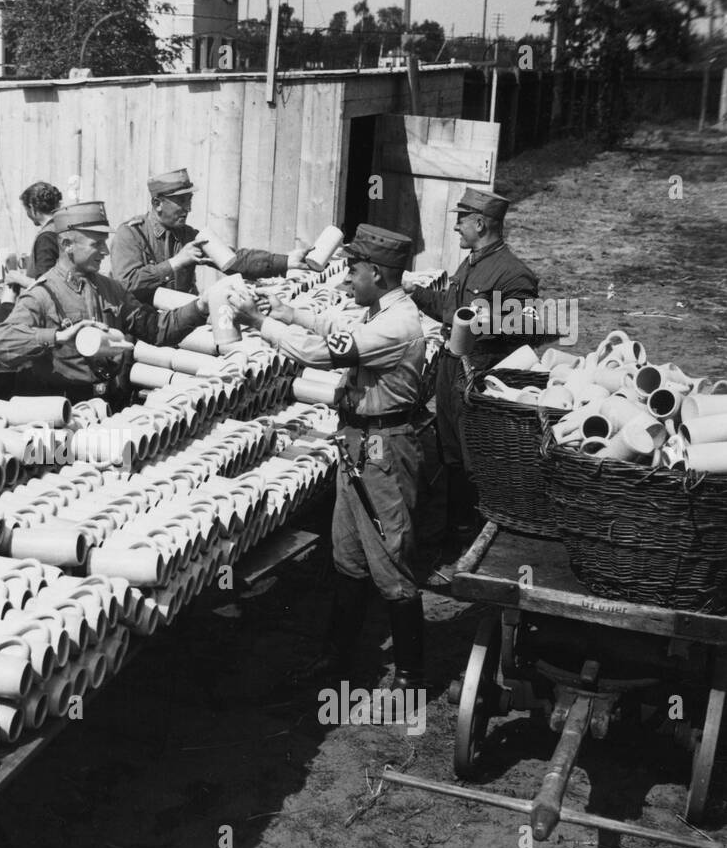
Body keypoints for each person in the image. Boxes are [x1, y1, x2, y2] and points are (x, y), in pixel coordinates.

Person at [230, 224, 428, 691]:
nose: (346, 280)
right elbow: (340, 328)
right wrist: (290, 312)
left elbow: (324, 355)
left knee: (391, 562)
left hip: (382, 451)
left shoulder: (397, 324)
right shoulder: (383, 308)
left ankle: (410, 676)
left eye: (353, 271)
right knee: (349, 557)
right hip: (359, 444)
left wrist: (264, 325)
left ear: (377, 274)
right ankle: (337, 660)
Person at [407, 187, 540, 542]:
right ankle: (455, 533)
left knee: (475, 460)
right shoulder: (473, 261)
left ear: (480, 223)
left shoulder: (514, 275)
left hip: (477, 377)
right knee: (450, 454)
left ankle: (478, 539)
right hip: (451, 371)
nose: (455, 228)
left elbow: (525, 327)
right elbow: (449, 308)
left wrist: (488, 318)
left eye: (461, 221)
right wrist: (411, 291)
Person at [0, 201, 211, 406]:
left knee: (121, 448)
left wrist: (200, 307)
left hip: (105, 406)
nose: (106, 251)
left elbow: (158, 329)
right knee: (54, 451)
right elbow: (2, 343)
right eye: (97, 244)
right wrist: (58, 337)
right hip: (58, 412)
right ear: (68, 245)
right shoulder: (42, 294)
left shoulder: (111, 290)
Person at [111, 167, 295, 305]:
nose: (188, 209)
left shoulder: (189, 236)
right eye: (181, 202)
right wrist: (174, 263)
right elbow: (125, 284)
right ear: (157, 203)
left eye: (189, 201)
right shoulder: (131, 235)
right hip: (140, 334)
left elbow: (236, 261)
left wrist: (288, 261)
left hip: (179, 327)